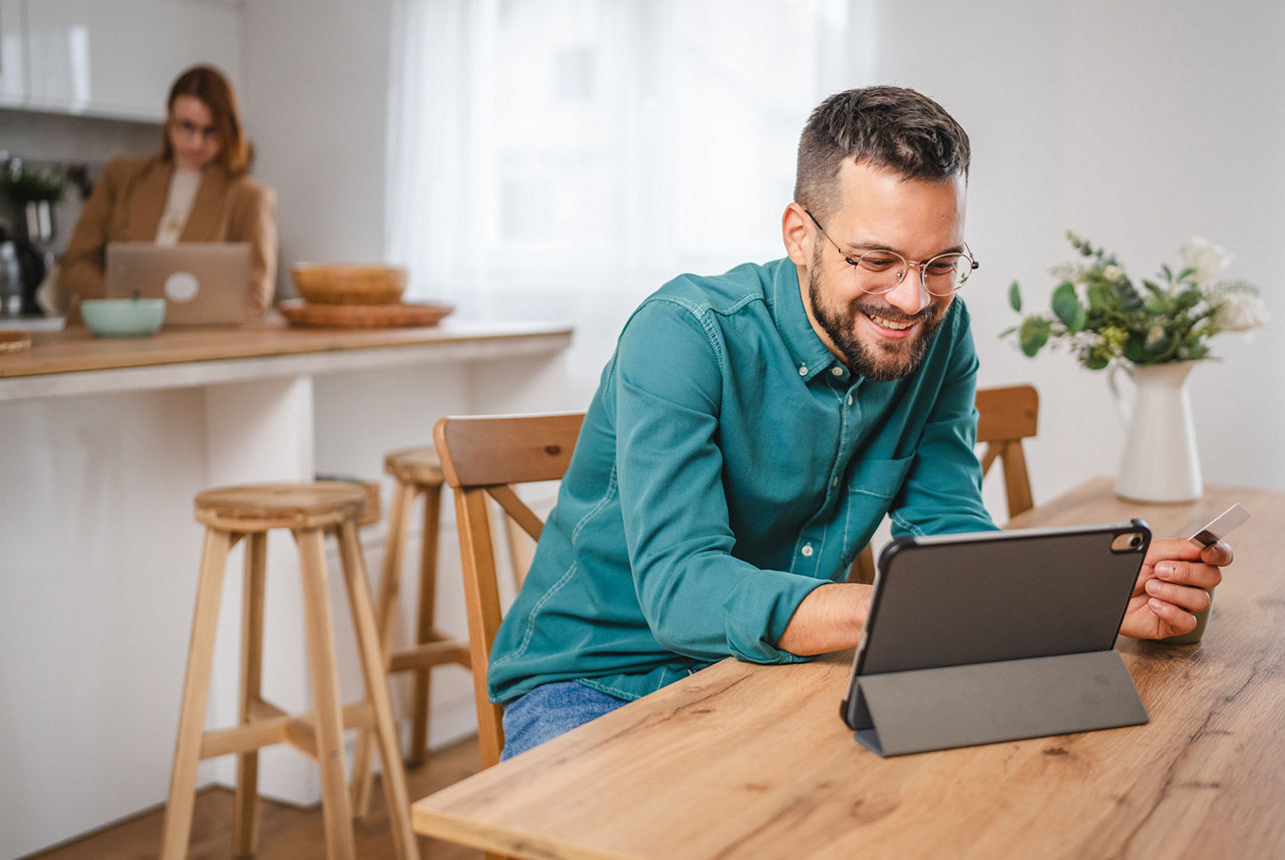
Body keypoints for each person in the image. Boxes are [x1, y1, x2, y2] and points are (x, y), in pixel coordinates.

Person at [489, 86, 1232, 760]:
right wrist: (906, 610)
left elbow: (947, 527)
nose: (912, 300)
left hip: (778, 669)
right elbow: (684, 590)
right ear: (798, 234)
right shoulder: (683, 333)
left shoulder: (942, 334)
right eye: (877, 259)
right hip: (592, 680)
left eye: (941, 263)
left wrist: (1082, 601)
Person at [58, 64, 277, 318]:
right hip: (111, 332)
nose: (197, 142)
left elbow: (256, 296)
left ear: (228, 128)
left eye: (210, 131)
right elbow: (75, 262)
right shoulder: (121, 175)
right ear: (169, 117)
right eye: (187, 126)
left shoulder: (249, 197)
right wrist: (126, 305)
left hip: (193, 342)